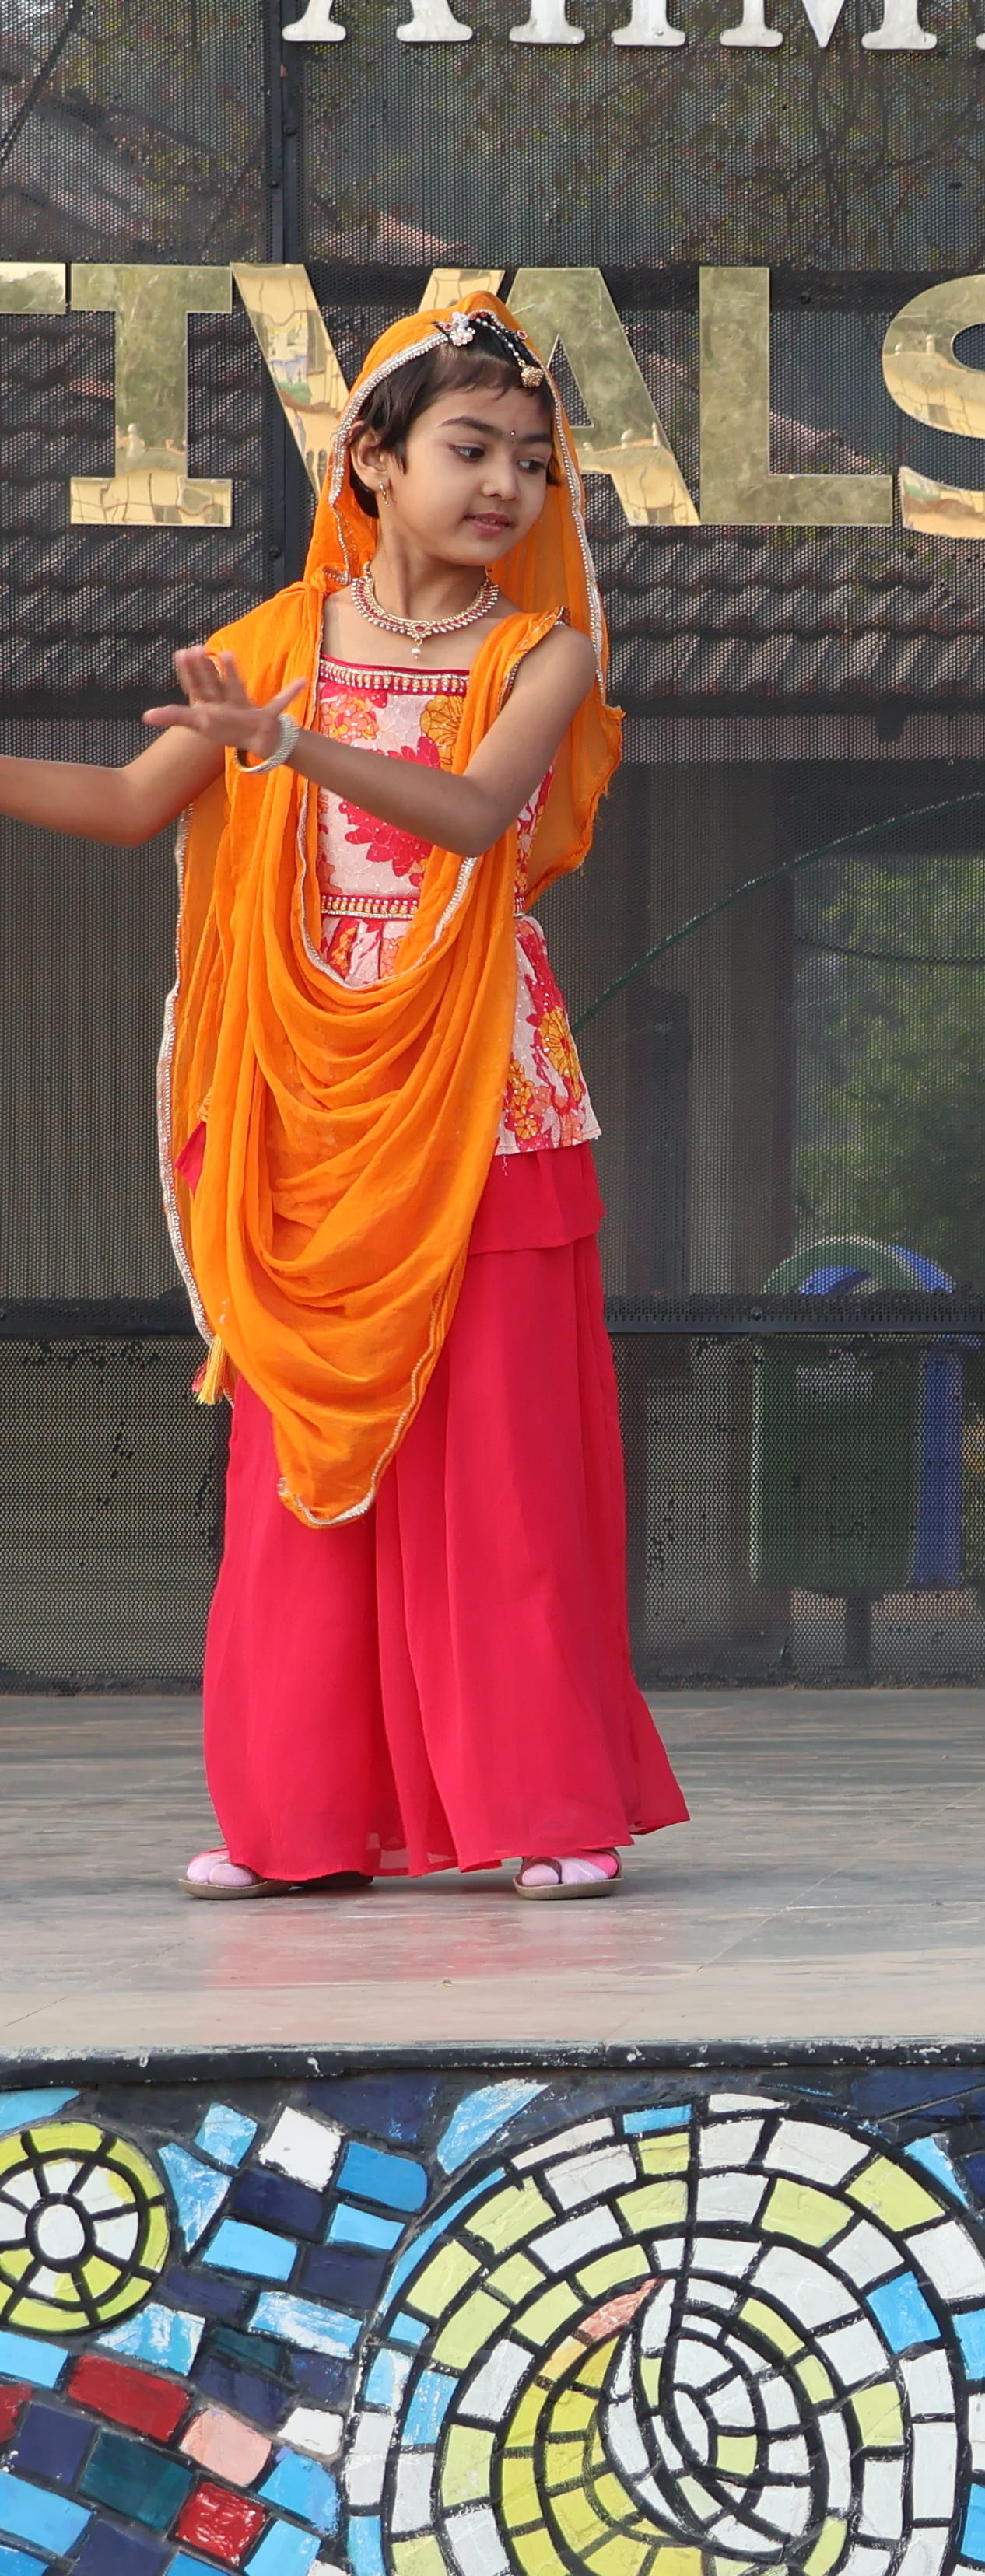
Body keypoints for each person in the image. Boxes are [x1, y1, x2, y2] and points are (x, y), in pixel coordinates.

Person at [0, 291, 684, 1901]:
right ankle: (298, 1822)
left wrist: (288, 746)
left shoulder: (543, 650)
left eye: (532, 461)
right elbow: (128, 803)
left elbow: (474, 814)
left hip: (482, 1092)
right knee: (300, 1456)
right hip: (296, 1092)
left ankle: (541, 1806)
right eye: (470, 448)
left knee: (498, 1462)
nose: (505, 484)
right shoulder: (272, 644)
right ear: (371, 460)